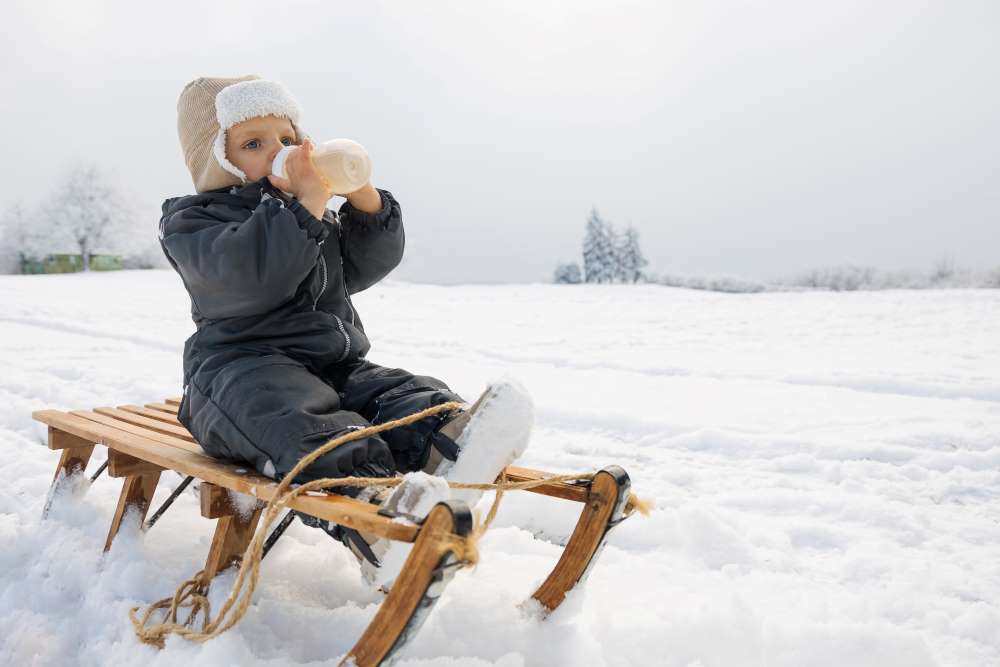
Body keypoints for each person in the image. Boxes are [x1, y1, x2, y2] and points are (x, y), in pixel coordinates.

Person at [158, 75, 531, 580]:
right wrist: (306, 207)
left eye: (288, 139)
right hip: (238, 373)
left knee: (400, 393)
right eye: (253, 143)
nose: (278, 152)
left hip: (333, 365)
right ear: (217, 161)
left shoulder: (307, 210)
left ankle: (447, 440)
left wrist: (363, 198)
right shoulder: (194, 222)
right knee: (296, 418)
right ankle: (374, 525)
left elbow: (361, 264)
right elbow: (254, 275)